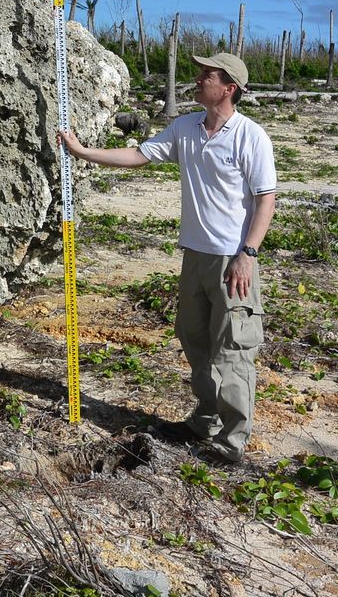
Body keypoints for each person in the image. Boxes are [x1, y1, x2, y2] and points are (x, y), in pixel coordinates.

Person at [57, 52, 276, 464]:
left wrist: (248, 254)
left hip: (233, 259)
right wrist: (83, 152)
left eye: (206, 75)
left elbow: (266, 199)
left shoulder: (251, 136)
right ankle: (205, 419)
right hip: (194, 255)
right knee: (194, 337)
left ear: (229, 88)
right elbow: (139, 155)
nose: (197, 80)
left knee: (232, 348)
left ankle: (231, 442)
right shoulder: (186, 128)